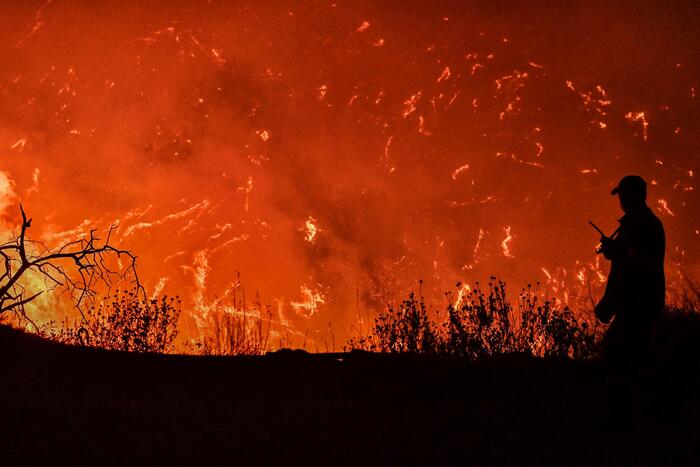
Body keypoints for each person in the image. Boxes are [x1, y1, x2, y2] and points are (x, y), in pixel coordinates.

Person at [594, 175, 665, 427]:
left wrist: (618, 252)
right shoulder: (644, 224)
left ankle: (620, 419)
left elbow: (638, 264)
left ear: (631, 196)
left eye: (622, 195)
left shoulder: (641, 225)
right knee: (644, 354)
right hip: (643, 300)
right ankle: (654, 411)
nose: (620, 201)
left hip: (636, 301)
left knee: (614, 352)